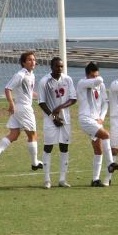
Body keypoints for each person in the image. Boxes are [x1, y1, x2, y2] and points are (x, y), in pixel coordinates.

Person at [0, 51, 44, 171]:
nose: (32, 61)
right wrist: (11, 104)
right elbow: (8, 88)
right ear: (23, 63)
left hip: (20, 108)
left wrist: (41, 96)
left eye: (34, 59)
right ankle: (34, 163)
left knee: (14, 135)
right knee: (33, 135)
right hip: (23, 109)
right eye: (29, 60)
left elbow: (29, 92)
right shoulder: (20, 75)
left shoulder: (31, 75)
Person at [76, 62, 118, 187]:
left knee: (98, 150)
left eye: (97, 75)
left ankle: (95, 180)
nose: (96, 77)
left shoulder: (100, 85)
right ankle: (110, 164)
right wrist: (98, 78)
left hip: (96, 121)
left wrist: (101, 118)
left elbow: (105, 103)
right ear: (87, 75)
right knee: (106, 135)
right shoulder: (82, 83)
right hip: (85, 119)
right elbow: (98, 81)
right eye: (93, 75)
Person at [37, 57, 77, 189]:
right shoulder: (44, 81)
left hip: (65, 119)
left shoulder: (68, 79)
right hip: (50, 120)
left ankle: (62, 179)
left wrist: (59, 108)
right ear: (51, 67)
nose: (59, 69)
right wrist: (53, 116)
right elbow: (41, 102)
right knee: (48, 147)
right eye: (57, 66)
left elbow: (73, 98)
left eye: (61, 67)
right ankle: (47, 180)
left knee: (64, 147)